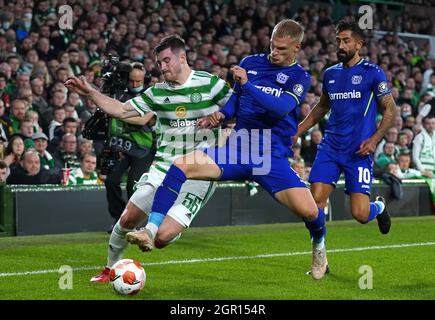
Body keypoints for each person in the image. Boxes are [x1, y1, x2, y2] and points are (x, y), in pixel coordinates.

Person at [125, 20, 328, 280]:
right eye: (272, 46)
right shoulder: (251, 63)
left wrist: (250, 85)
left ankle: (319, 246)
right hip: (237, 148)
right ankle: (150, 230)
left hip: (268, 156)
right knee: (180, 165)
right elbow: (234, 102)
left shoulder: (299, 76)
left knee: (311, 211)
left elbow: (281, 108)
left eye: (281, 48)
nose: (274, 52)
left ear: (296, 47)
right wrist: (219, 115)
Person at [65, 34, 233, 283]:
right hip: (164, 167)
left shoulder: (211, 85)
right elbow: (122, 110)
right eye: (159, 62)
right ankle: (111, 270)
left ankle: (160, 231)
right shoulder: (157, 93)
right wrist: (90, 92)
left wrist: (223, 122)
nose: (162, 67)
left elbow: (239, 109)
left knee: (161, 239)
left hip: (199, 173)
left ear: (182, 58)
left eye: (166, 61)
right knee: (126, 219)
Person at [296, 21, 395, 239]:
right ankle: (319, 253)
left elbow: (390, 108)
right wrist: (297, 131)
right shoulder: (330, 73)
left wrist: (375, 139)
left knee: (360, 214)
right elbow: (321, 106)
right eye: (338, 40)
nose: (340, 45)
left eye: (346, 41)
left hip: (358, 150)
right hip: (330, 147)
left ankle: (378, 207)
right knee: (315, 202)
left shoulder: (372, 73)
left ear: (359, 44)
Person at [104, 62, 156, 233]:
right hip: (121, 145)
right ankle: (120, 220)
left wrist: (118, 114)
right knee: (111, 180)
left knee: (132, 184)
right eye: (132, 81)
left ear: (144, 80)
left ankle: (133, 222)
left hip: (144, 147)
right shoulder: (119, 94)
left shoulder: (152, 96)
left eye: (138, 81)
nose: (134, 85)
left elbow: (143, 120)